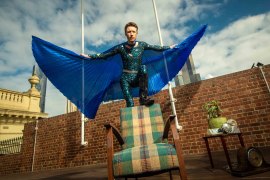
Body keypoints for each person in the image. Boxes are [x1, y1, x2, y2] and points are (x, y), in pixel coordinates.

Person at [81, 22, 175, 107]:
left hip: (138, 77)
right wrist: (89, 56)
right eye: (129, 32)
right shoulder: (121, 48)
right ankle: (131, 110)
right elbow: (105, 55)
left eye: (133, 31)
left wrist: (169, 47)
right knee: (130, 104)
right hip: (126, 79)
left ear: (136, 33)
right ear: (126, 34)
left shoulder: (142, 45)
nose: (131, 34)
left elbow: (156, 47)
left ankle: (143, 99)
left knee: (143, 68)